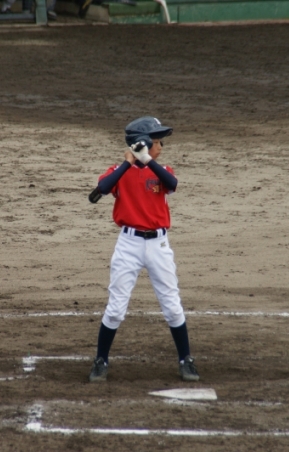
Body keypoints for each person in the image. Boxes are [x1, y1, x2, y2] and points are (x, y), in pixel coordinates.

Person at [88, 116, 199, 382]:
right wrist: (129, 162)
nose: (161, 146)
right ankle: (101, 360)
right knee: (116, 309)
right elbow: (102, 188)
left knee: (172, 306)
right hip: (129, 245)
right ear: (144, 142)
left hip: (159, 245)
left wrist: (147, 160)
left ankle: (185, 359)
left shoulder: (162, 170)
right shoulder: (118, 171)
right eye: (157, 142)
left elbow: (172, 184)